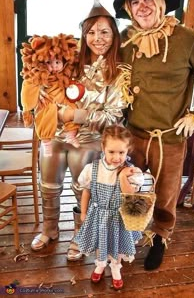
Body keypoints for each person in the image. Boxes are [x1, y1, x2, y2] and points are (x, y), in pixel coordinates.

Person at [113, 0, 194, 271]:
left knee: (165, 193)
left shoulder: (187, 39)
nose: (142, 5)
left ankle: (160, 236)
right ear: (128, 9)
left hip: (170, 137)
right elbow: (105, 70)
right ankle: (131, 231)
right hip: (133, 133)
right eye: (134, 1)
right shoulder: (125, 41)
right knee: (131, 187)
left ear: (161, 1)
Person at [29, 0, 128, 260]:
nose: (98, 38)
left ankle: (80, 233)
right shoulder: (71, 63)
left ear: (114, 35)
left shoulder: (118, 73)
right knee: (48, 167)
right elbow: (43, 75)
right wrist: (39, 92)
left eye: (105, 32)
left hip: (93, 138)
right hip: (59, 134)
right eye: (92, 32)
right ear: (83, 35)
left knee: (80, 168)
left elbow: (113, 117)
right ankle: (50, 228)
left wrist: (78, 114)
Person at [73, 124, 144, 290]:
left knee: (117, 243)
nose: (116, 157)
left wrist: (123, 178)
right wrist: (83, 212)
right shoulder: (93, 169)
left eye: (122, 152)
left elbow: (130, 196)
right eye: (112, 152)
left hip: (119, 216)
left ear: (128, 151)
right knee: (100, 240)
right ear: (103, 147)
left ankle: (115, 267)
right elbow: (86, 192)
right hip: (98, 214)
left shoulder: (131, 172)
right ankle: (100, 264)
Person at [20, 36, 81, 156]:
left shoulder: (65, 73)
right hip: (48, 101)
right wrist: (27, 110)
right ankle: (46, 141)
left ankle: (71, 133)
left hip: (62, 99)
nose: (53, 66)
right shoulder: (39, 76)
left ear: (64, 62)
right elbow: (28, 90)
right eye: (49, 62)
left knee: (73, 107)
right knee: (46, 110)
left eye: (57, 62)